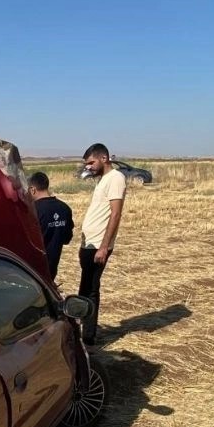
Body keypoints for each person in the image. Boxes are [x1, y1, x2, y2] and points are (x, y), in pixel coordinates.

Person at [77, 143, 127, 345]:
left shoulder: (116, 178)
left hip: (98, 245)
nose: (88, 167)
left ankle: (88, 337)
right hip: (89, 244)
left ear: (104, 158)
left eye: (91, 162)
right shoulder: (103, 180)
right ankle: (81, 329)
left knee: (90, 289)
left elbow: (116, 214)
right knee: (85, 287)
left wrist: (104, 247)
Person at [28, 171, 73, 281]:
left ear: (32, 189)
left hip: (33, 269)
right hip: (52, 267)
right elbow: (67, 238)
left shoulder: (32, 211)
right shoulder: (65, 208)